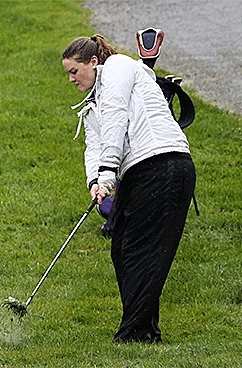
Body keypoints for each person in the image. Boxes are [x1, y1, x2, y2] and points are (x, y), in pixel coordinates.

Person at [62, 34, 196, 343]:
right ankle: (142, 329)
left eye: (74, 71)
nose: (71, 79)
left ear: (93, 62)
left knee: (141, 250)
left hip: (165, 163)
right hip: (141, 172)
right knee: (123, 248)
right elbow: (93, 146)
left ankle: (138, 333)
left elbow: (117, 116)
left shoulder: (119, 67)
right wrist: (96, 182)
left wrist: (109, 171)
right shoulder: (94, 102)